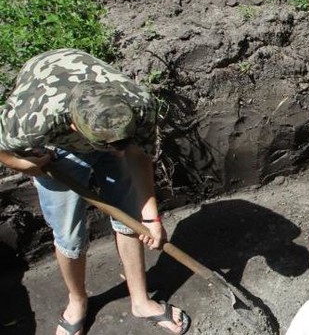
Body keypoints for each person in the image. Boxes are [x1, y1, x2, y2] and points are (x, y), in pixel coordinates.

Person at [0, 49, 189, 335]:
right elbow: (2, 147)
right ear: (74, 126)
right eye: (109, 146)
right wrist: (24, 164)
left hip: (103, 122)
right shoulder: (33, 118)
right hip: (58, 151)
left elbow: (137, 154)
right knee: (69, 234)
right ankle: (78, 301)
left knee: (129, 215)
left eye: (121, 142)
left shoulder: (138, 105)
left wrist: (151, 217)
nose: (117, 152)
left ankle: (140, 300)